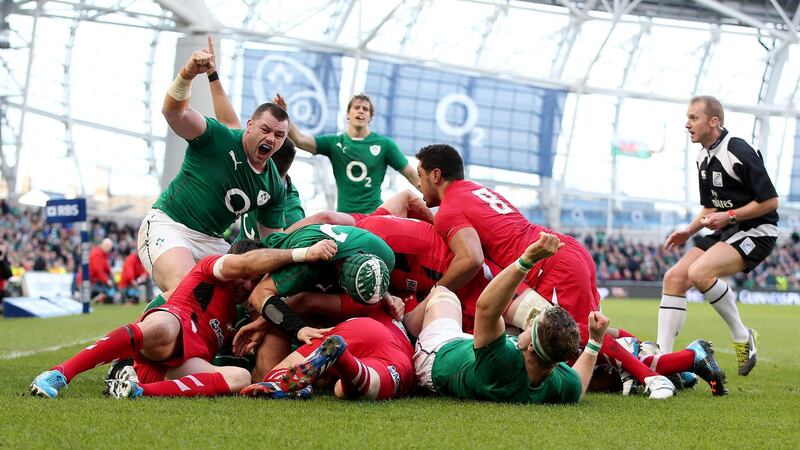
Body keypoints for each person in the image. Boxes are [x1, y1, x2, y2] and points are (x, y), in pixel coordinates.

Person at [415, 143, 675, 399]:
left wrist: (438, 290)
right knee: (585, 330)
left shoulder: (448, 209)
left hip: (545, 263)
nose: (417, 184)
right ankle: (675, 363)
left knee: (568, 336)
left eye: (419, 176)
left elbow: (471, 258)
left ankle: (652, 375)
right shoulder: (475, 190)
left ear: (436, 175)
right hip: (563, 249)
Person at [29, 239, 337, 399]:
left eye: (255, 280)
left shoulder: (235, 314)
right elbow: (243, 263)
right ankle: (59, 374)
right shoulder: (211, 268)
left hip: (171, 367)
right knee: (164, 327)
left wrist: (256, 328)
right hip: (162, 337)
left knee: (239, 378)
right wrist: (304, 254)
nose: (248, 284)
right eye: (247, 277)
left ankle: (136, 391)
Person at [137, 44, 288, 300]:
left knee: (239, 302)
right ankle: (142, 335)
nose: (271, 139)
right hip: (171, 226)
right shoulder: (217, 137)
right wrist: (187, 73)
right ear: (250, 126)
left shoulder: (273, 185)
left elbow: (273, 242)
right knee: (189, 292)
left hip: (213, 242)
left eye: (279, 135)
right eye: (265, 130)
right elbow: (173, 112)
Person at [658, 95, 779, 376]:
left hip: (757, 231)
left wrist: (730, 216)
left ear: (714, 121)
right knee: (674, 278)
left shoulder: (737, 149)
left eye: (693, 118)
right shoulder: (703, 157)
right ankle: (662, 364)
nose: (686, 124)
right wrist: (688, 231)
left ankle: (742, 336)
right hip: (727, 229)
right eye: (687, 118)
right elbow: (711, 206)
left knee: (700, 272)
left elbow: (771, 201)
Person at [414, 234, 606, 404]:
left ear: (531, 346)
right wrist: (594, 342)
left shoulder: (501, 364)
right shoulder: (554, 380)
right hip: (473, 359)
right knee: (506, 329)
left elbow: (486, 308)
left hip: (437, 354)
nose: (529, 322)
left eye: (533, 322)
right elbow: (577, 386)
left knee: (443, 293)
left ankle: (401, 323)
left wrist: (526, 261)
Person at [275, 93, 420, 214]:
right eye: (356, 107)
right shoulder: (334, 143)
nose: (361, 111)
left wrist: (437, 195)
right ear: (348, 114)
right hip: (344, 218)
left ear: (370, 117)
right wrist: (284, 115)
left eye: (365, 109)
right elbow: (300, 140)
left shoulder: (384, 145)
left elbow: (411, 174)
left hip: (374, 215)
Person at [240, 306, 414, 401]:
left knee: (279, 373)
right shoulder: (400, 307)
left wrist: (263, 321)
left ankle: (303, 388)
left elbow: (304, 299)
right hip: (394, 350)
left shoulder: (379, 300)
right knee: (354, 387)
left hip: (354, 327)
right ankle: (342, 357)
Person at [88, 238, 115, 303]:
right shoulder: (96, 254)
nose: (110, 250)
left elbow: (105, 266)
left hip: (97, 280)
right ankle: (98, 297)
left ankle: (101, 296)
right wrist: (107, 280)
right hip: (92, 281)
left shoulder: (103, 254)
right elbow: (98, 270)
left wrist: (110, 271)